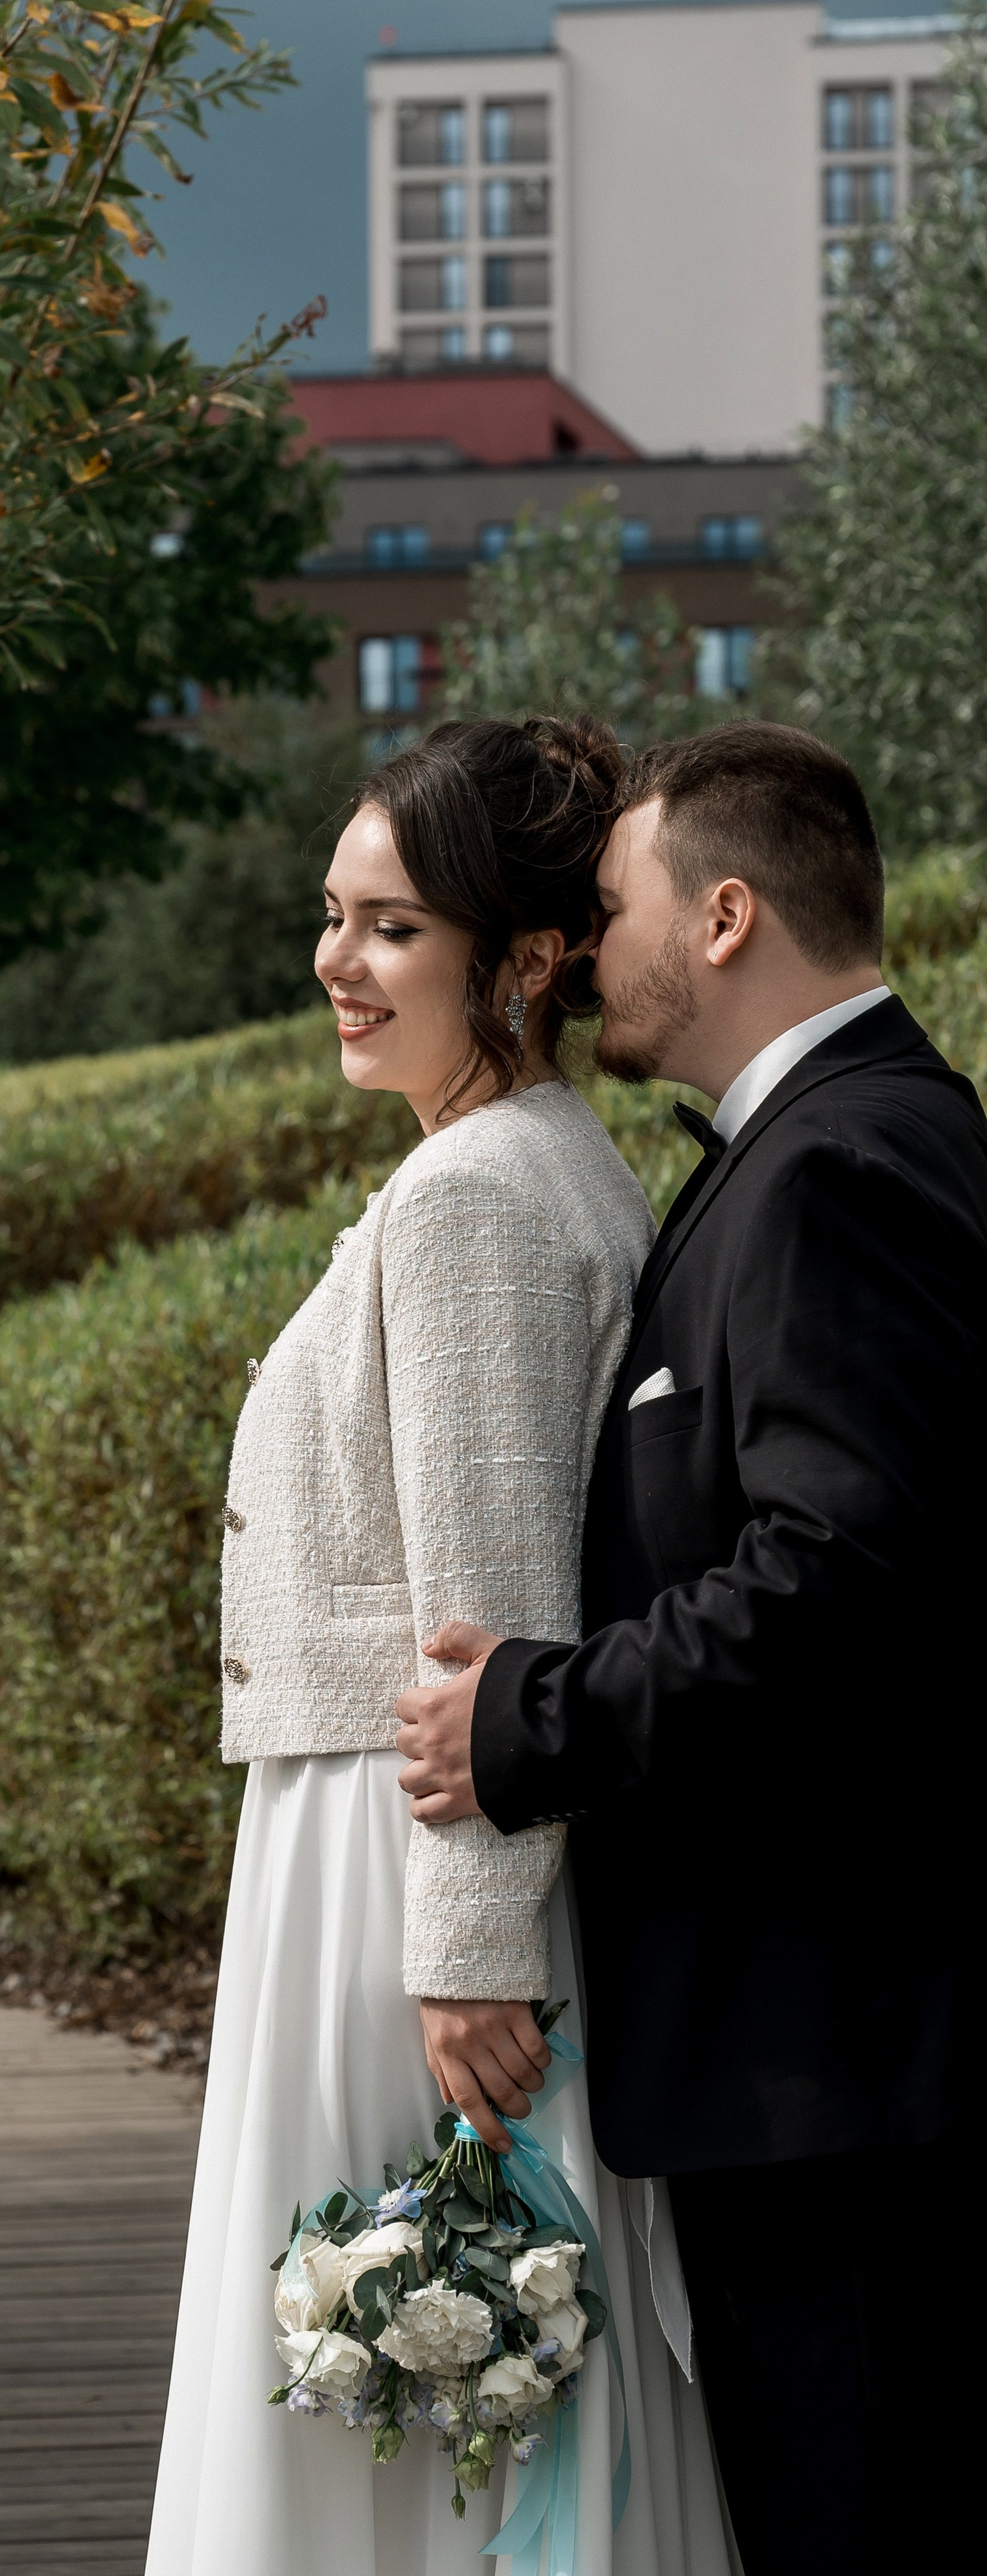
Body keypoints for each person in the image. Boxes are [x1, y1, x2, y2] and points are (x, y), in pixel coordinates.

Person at [395, 723, 986, 2576]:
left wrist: (528, 1716)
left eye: (617, 903)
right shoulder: (840, 1142)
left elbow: (836, 1579)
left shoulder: (838, 1169)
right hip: (823, 2057)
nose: (583, 942)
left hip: (841, 2066)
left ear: (723, 915)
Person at [146, 718, 735, 2576]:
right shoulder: (527, 1162)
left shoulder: (479, 1197)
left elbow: (491, 1619)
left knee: (406, 2405)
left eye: (389, 926)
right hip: (397, 1843)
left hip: (397, 1862)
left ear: (529, 956)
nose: (335, 960)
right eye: (331, 915)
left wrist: (468, 1953)